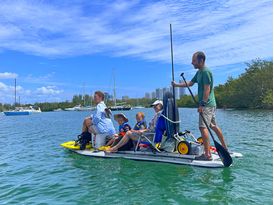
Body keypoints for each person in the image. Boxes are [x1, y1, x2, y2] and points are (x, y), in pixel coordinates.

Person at [172, 51, 228, 160]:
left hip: (207, 105)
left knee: (203, 127)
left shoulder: (206, 72)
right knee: (213, 126)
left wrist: (202, 104)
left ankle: (207, 155)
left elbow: (207, 89)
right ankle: (225, 148)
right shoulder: (199, 72)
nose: (192, 63)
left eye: (194, 60)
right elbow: (190, 83)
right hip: (210, 104)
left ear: (201, 61)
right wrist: (177, 85)